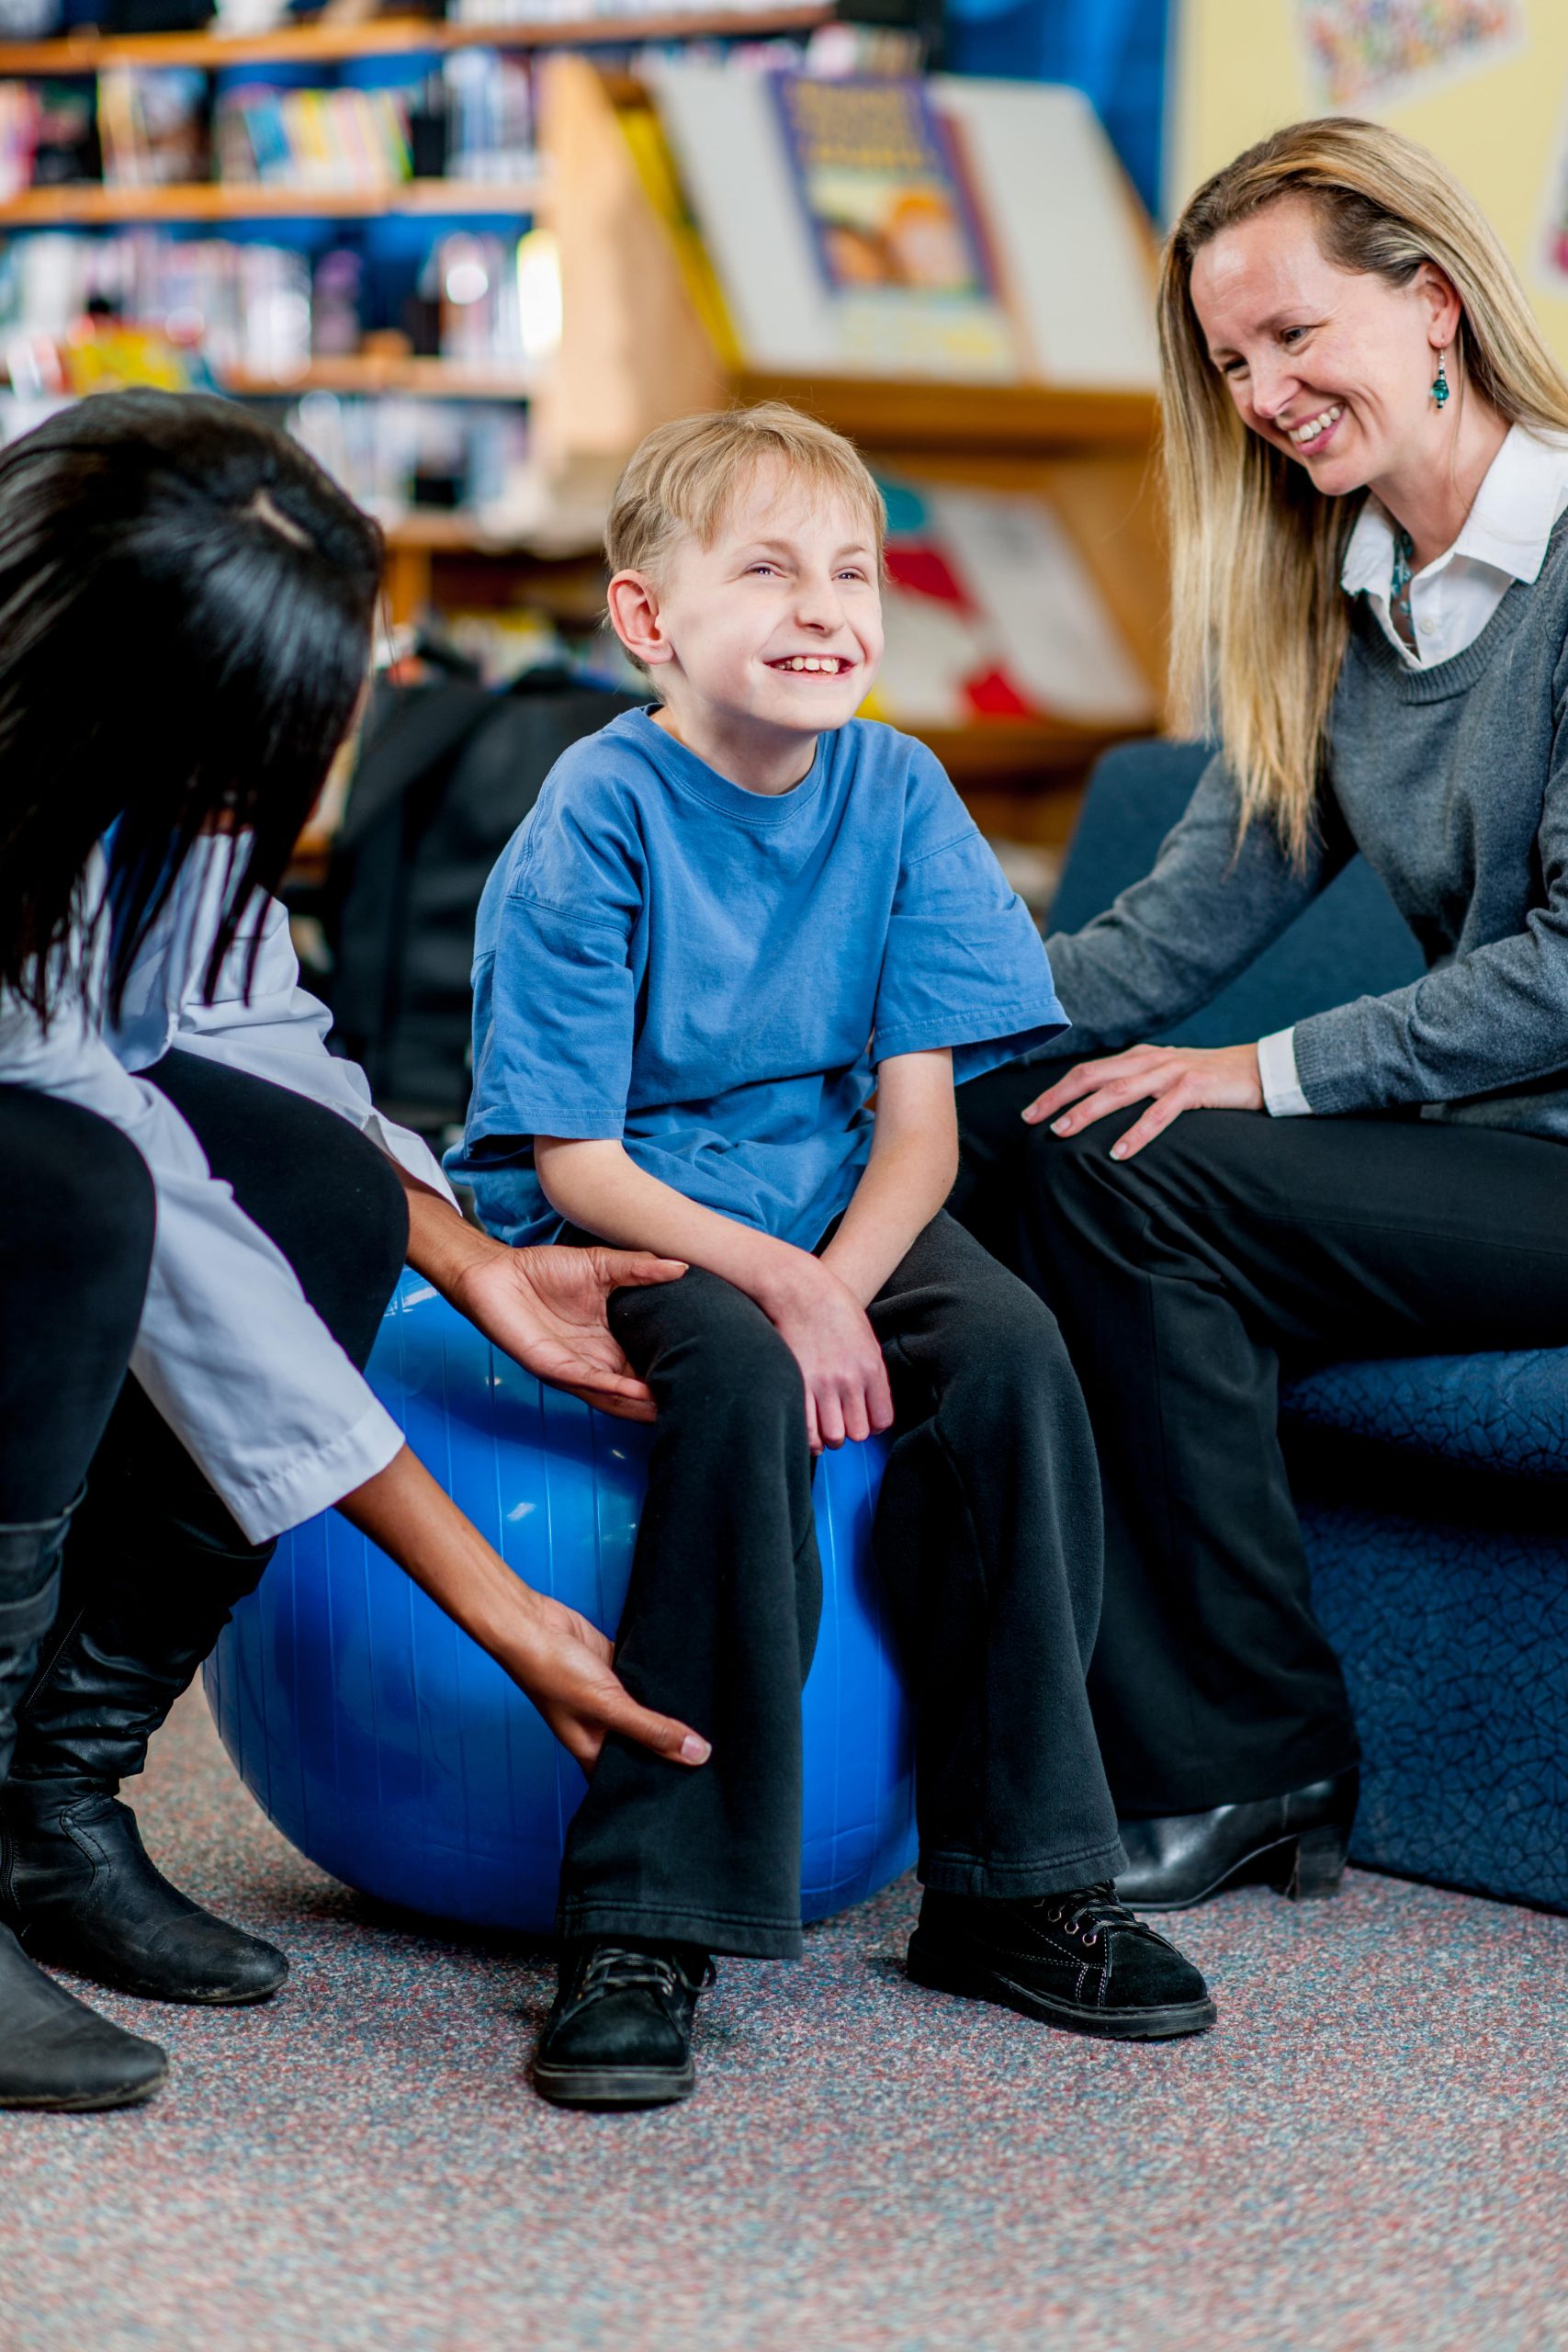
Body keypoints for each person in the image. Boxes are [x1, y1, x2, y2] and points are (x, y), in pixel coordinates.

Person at [446, 402, 1216, 2111]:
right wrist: (783, 1298)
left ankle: (1020, 1891)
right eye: (769, 569)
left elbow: (923, 1131)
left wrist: (838, 1284)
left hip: (841, 1203)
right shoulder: (595, 813)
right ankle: (649, 1917)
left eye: (854, 571)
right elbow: (575, 1159)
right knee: (733, 1389)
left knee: (1010, 1358)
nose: (826, 608)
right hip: (643, 1204)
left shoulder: (901, 787)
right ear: (651, 619)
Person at [0, 390, 714, 2114]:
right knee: (88, 1195)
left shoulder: (148, 773)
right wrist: (495, 1603)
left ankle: (50, 1810)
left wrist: (466, 1255)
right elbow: (157, 1207)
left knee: (323, 1186)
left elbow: (247, 1035)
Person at [956, 116, 1568, 1912]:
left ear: (1432, 303)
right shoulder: (1339, 597)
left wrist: (1262, 1071)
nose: (1264, 391)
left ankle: (1245, 1756)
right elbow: (1160, 939)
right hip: (1484, 1154)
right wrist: (898, 1030)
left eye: (1293, 335)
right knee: (1022, 1126)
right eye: (1230, 361)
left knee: (1136, 1160)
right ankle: (1068, 1718)